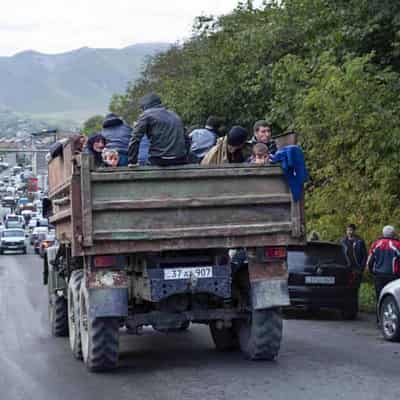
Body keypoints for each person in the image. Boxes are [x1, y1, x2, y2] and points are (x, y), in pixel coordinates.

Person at [128, 93, 187, 166]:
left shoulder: (146, 115)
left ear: (144, 106)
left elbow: (135, 139)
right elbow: (186, 139)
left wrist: (132, 161)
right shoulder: (175, 115)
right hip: (180, 159)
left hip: (160, 160)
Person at [367, 225, 400, 300]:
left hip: (379, 275)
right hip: (393, 275)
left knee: (380, 297)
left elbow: (370, 261)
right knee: (393, 297)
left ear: (383, 233)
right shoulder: (397, 245)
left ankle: (380, 311)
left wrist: (371, 271)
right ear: (393, 233)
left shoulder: (376, 244)